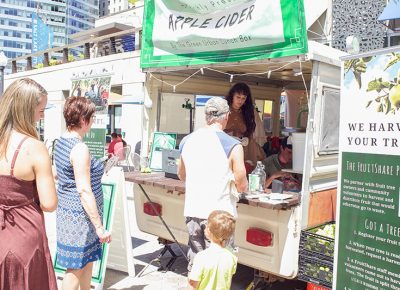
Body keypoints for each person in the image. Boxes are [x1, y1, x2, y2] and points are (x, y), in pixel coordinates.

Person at [0, 78, 58, 289]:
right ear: (26, 109)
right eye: (40, 110)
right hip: (25, 238)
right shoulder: (34, 147)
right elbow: (49, 203)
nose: (42, 116)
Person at [178, 97, 247, 271]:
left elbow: (181, 175)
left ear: (206, 116)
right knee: (218, 269)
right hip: (219, 217)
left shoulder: (187, 141)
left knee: (196, 267)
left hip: (193, 212)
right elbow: (242, 184)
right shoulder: (233, 145)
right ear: (226, 117)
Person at [54, 96, 111, 290]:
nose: (94, 120)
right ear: (82, 119)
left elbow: (58, 174)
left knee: (86, 261)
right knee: (76, 266)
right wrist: (99, 227)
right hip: (80, 217)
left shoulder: (61, 141)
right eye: (92, 116)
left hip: (70, 213)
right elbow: (84, 190)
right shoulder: (79, 148)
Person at [188, 210, 237, 290]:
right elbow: (228, 282)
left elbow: (193, 284)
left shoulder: (201, 257)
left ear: (208, 231)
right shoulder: (231, 257)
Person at [224, 83, 266, 167]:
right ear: (232, 95)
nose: (240, 101)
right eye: (238, 97)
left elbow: (250, 135)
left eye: (243, 98)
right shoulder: (223, 109)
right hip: (225, 150)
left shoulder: (249, 112)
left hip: (243, 151)